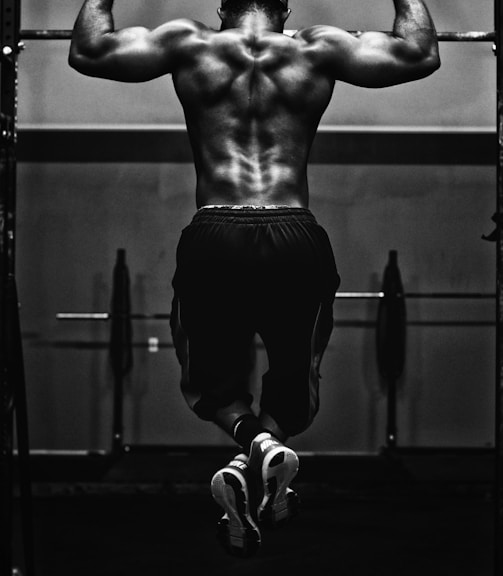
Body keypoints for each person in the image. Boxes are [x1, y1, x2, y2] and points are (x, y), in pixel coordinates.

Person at [69, 0, 440, 557]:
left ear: (221, 5)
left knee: (211, 385)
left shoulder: (187, 43)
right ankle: (265, 451)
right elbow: (419, 52)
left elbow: (89, 50)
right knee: (295, 383)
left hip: (216, 231)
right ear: (285, 5)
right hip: (295, 232)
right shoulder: (318, 47)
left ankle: (254, 445)